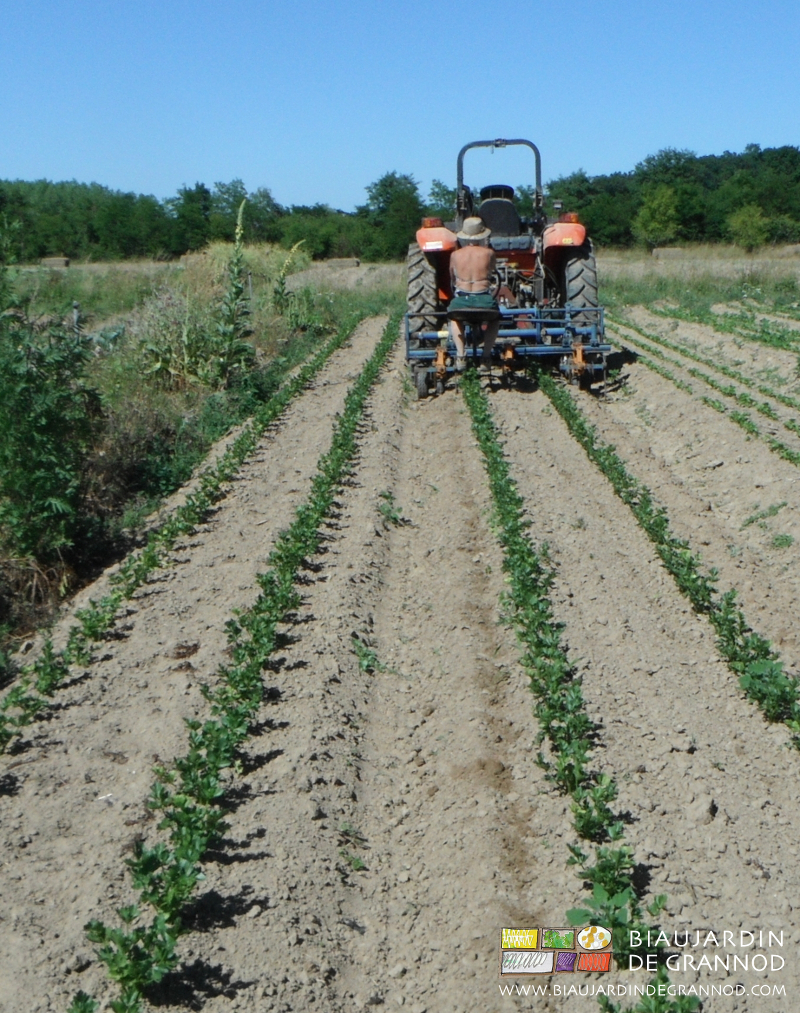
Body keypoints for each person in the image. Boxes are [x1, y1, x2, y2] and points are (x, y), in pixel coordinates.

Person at [447, 217, 500, 372]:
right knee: (495, 319)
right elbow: (492, 272)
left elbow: (452, 277)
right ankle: (486, 356)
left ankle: (461, 355)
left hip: (462, 299)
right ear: (482, 234)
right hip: (483, 298)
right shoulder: (489, 253)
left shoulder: (455, 255)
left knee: (455, 317)